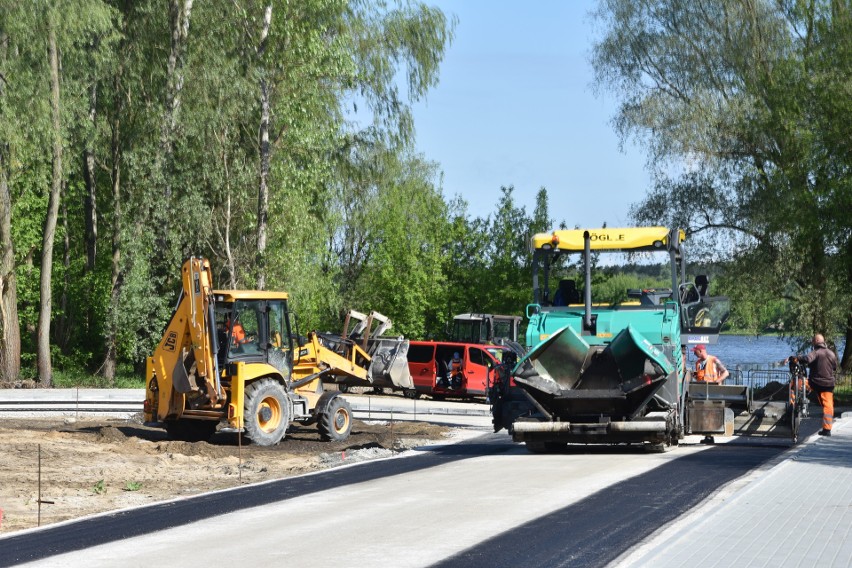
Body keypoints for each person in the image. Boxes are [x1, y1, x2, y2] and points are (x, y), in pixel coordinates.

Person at [791, 334, 838, 436]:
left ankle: (792, 404)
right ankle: (827, 430)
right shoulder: (831, 353)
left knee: (796, 383)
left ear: (816, 341)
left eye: (813, 341)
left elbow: (807, 359)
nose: (812, 343)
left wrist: (797, 358)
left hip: (815, 382)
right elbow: (834, 367)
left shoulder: (816, 352)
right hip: (828, 384)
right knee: (828, 406)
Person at [692, 343, 729, 444]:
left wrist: (717, 381)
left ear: (701, 351)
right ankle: (707, 436)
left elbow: (725, 372)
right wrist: (693, 375)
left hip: (714, 391)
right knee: (704, 413)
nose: (694, 354)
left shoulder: (713, 360)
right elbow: (700, 377)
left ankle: (710, 435)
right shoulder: (698, 363)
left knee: (711, 413)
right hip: (703, 391)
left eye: (695, 352)